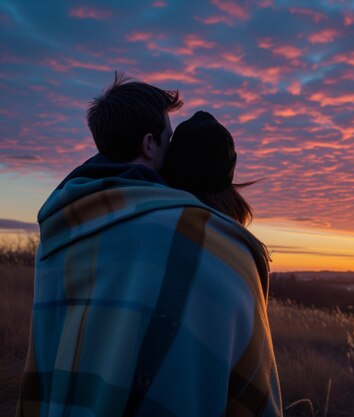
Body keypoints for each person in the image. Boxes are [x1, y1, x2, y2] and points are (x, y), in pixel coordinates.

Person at [15, 74, 282, 417]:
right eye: (168, 138)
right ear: (149, 144)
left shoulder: (64, 222)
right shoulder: (186, 234)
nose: (170, 148)